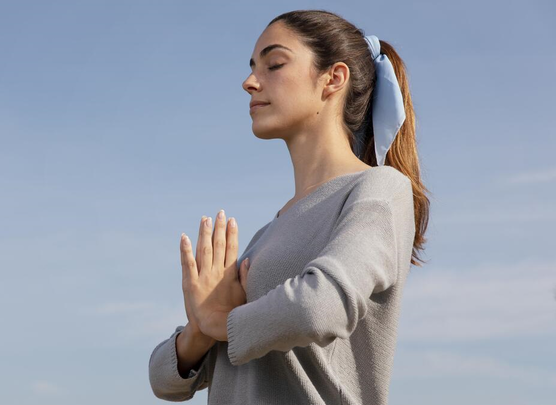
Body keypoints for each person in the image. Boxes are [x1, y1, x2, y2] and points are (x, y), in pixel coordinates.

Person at [149, 9, 431, 405]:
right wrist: (200, 329)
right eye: (252, 68)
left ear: (333, 79)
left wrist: (221, 322)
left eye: (274, 64)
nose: (250, 82)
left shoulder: (379, 190)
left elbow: (321, 306)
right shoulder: (267, 235)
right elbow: (164, 380)